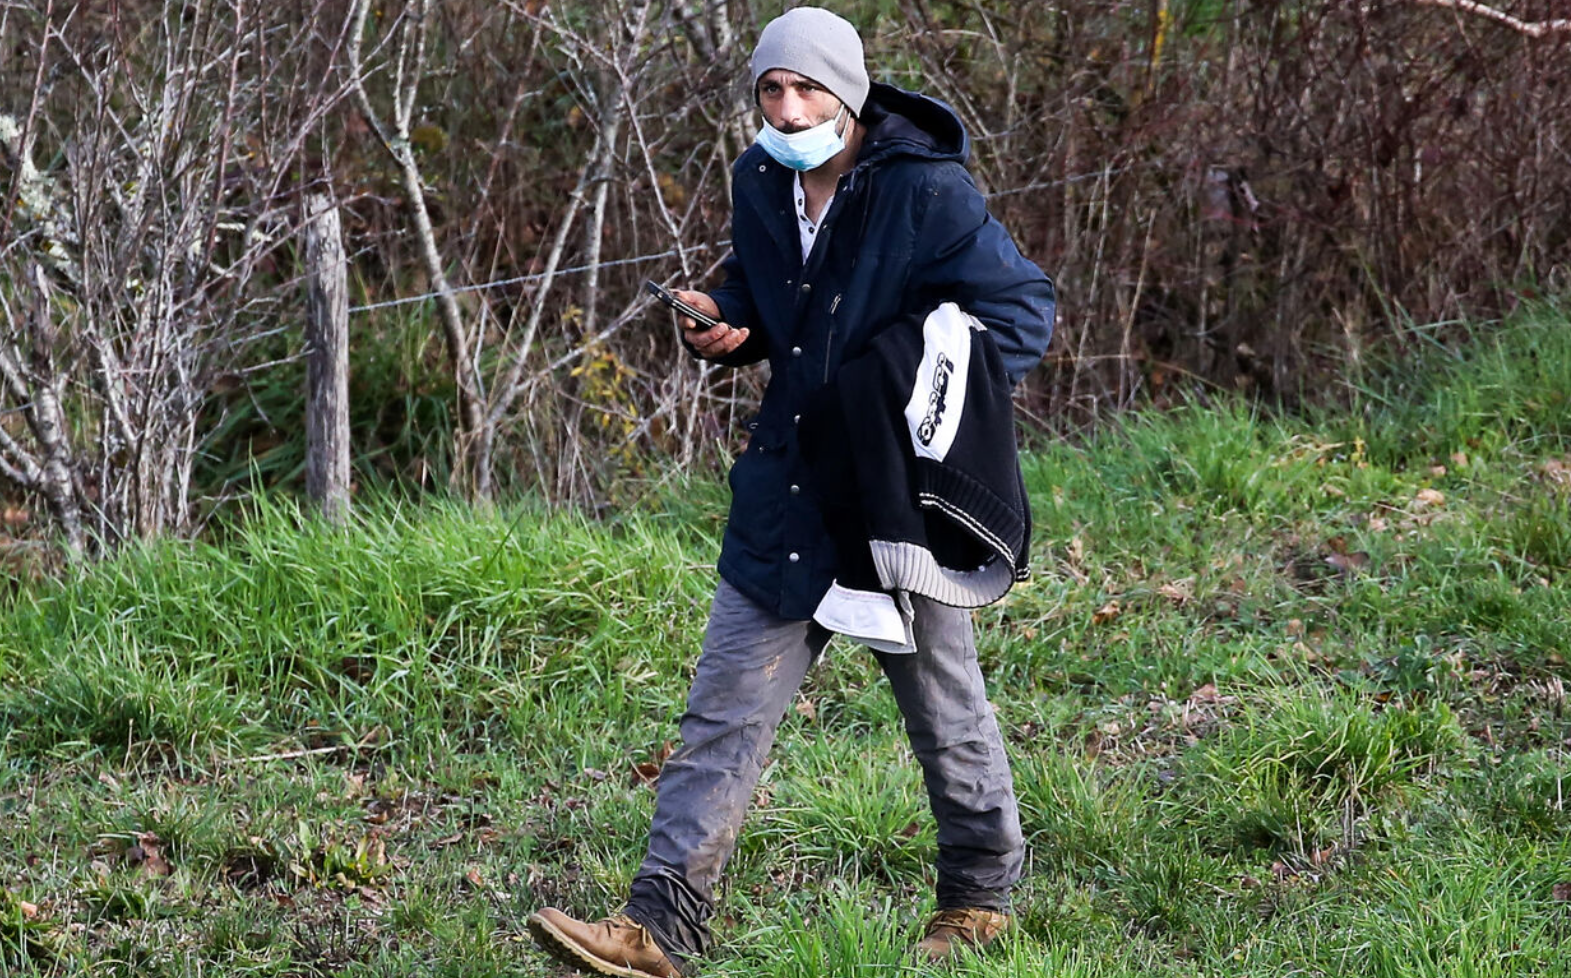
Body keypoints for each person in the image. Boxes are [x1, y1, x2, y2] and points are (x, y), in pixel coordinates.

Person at [528, 8, 1055, 976]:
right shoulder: (759, 179)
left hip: (892, 499)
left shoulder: (926, 193)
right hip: (786, 485)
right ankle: (659, 930)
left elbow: (1019, 313)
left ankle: (978, 900)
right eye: (769, 88)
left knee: (943, 708)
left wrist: (907, 396)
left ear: (847, 92)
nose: (786, 105)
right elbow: (772, 299)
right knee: (722, 710)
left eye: (806, 87)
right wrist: (726, 321)